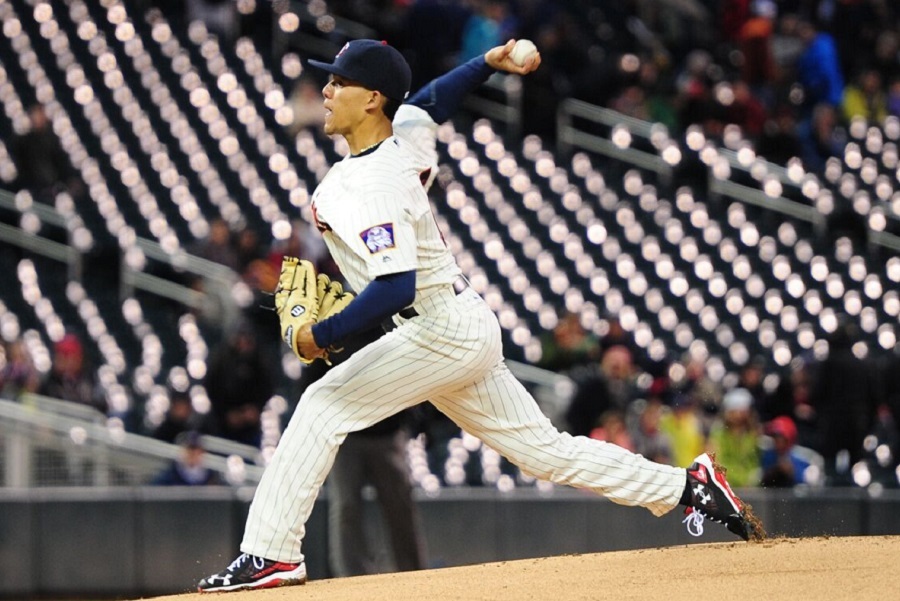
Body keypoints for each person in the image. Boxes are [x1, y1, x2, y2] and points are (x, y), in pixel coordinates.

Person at [197, 39, 760, 593]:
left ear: (371, 98)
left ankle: (270, 555)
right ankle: (690, 486)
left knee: (323, 403)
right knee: (545, 452)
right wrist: (487, 62)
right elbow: (432, 101)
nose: (325, 91)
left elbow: (395, 286)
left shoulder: (371, 184)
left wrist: (321, 336)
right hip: (457, 323)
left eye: (338, 82)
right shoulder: (403, 140)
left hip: (437, 327)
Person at [151, 430, 221, 486]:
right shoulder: (170, 475)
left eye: (195, 449)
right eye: (189, 449)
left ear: (202, 452)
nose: (192, 453)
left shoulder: (211, 476)